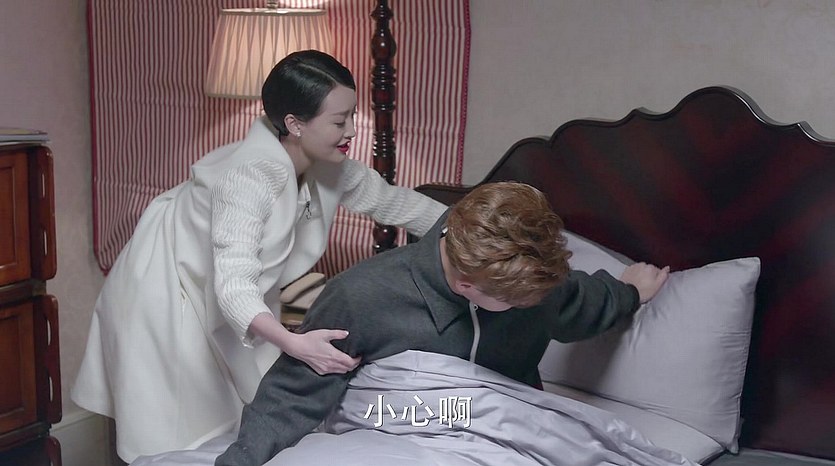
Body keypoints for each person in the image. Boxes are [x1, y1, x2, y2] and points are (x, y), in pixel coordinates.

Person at [71, 50, 447, 462]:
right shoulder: (249, 177)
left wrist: (474, 229)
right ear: (295, 124)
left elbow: (398, 204)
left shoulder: (328, 164)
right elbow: (234, 284)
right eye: (340, 121)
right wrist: (296, 344)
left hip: (226, 291)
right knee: (178, 431)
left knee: (249, 416)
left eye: (353, 116)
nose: (352, 131)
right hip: (167, 289)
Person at [215, 181, 670, 466]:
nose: (530, 306)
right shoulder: (361, 295)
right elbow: (291, 395)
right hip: (388, 436)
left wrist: (630, 291)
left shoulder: (533, 284)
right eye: (515, 302)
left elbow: (584, 302)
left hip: (506, 439)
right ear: (467, 284)